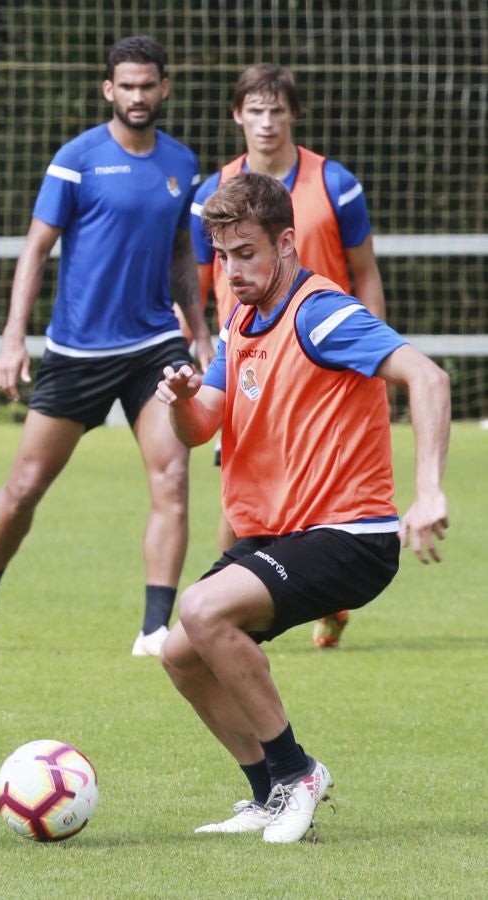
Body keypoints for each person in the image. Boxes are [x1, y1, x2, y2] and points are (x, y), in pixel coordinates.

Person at [156, 172, 449, 843]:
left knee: (202, 609)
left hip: (351, 533)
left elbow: (428, 378)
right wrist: (180, 402)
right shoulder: (238, 318)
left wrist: (428, 490)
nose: (232, 272)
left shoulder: (322, 313)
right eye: (223, 257)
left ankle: (298, 774)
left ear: (287, 243)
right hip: (283, 535)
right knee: (180, 652)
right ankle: (267, 793)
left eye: (248, 254)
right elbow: (205, 422)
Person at [0, 35, 211, 658]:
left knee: (172, 479)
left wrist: (199, 331)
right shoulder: (77, 158)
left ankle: (154, 631)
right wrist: (14, 337)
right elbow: (36, 249)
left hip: (155, 345)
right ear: (108, 90)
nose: (138, 96)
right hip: (76, 353)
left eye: (149, 85)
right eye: (127, 86)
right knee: (25, 486)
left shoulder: (182, 163)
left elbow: (181, 254)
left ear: (164, 88)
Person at [191, 63, 387, 650]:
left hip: (317, 360)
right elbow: (196, 279)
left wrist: (376, 353)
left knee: (320, 484)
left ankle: (269, 600)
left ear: (293, 116)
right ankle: (234, 600)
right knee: (240, 477)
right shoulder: (215, 192)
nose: (267, 121)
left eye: (278, 110)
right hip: (245, 354)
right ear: (237, 116)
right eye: (256, 109)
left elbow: (366, 273)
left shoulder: (334, 183)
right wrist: (205, 349)